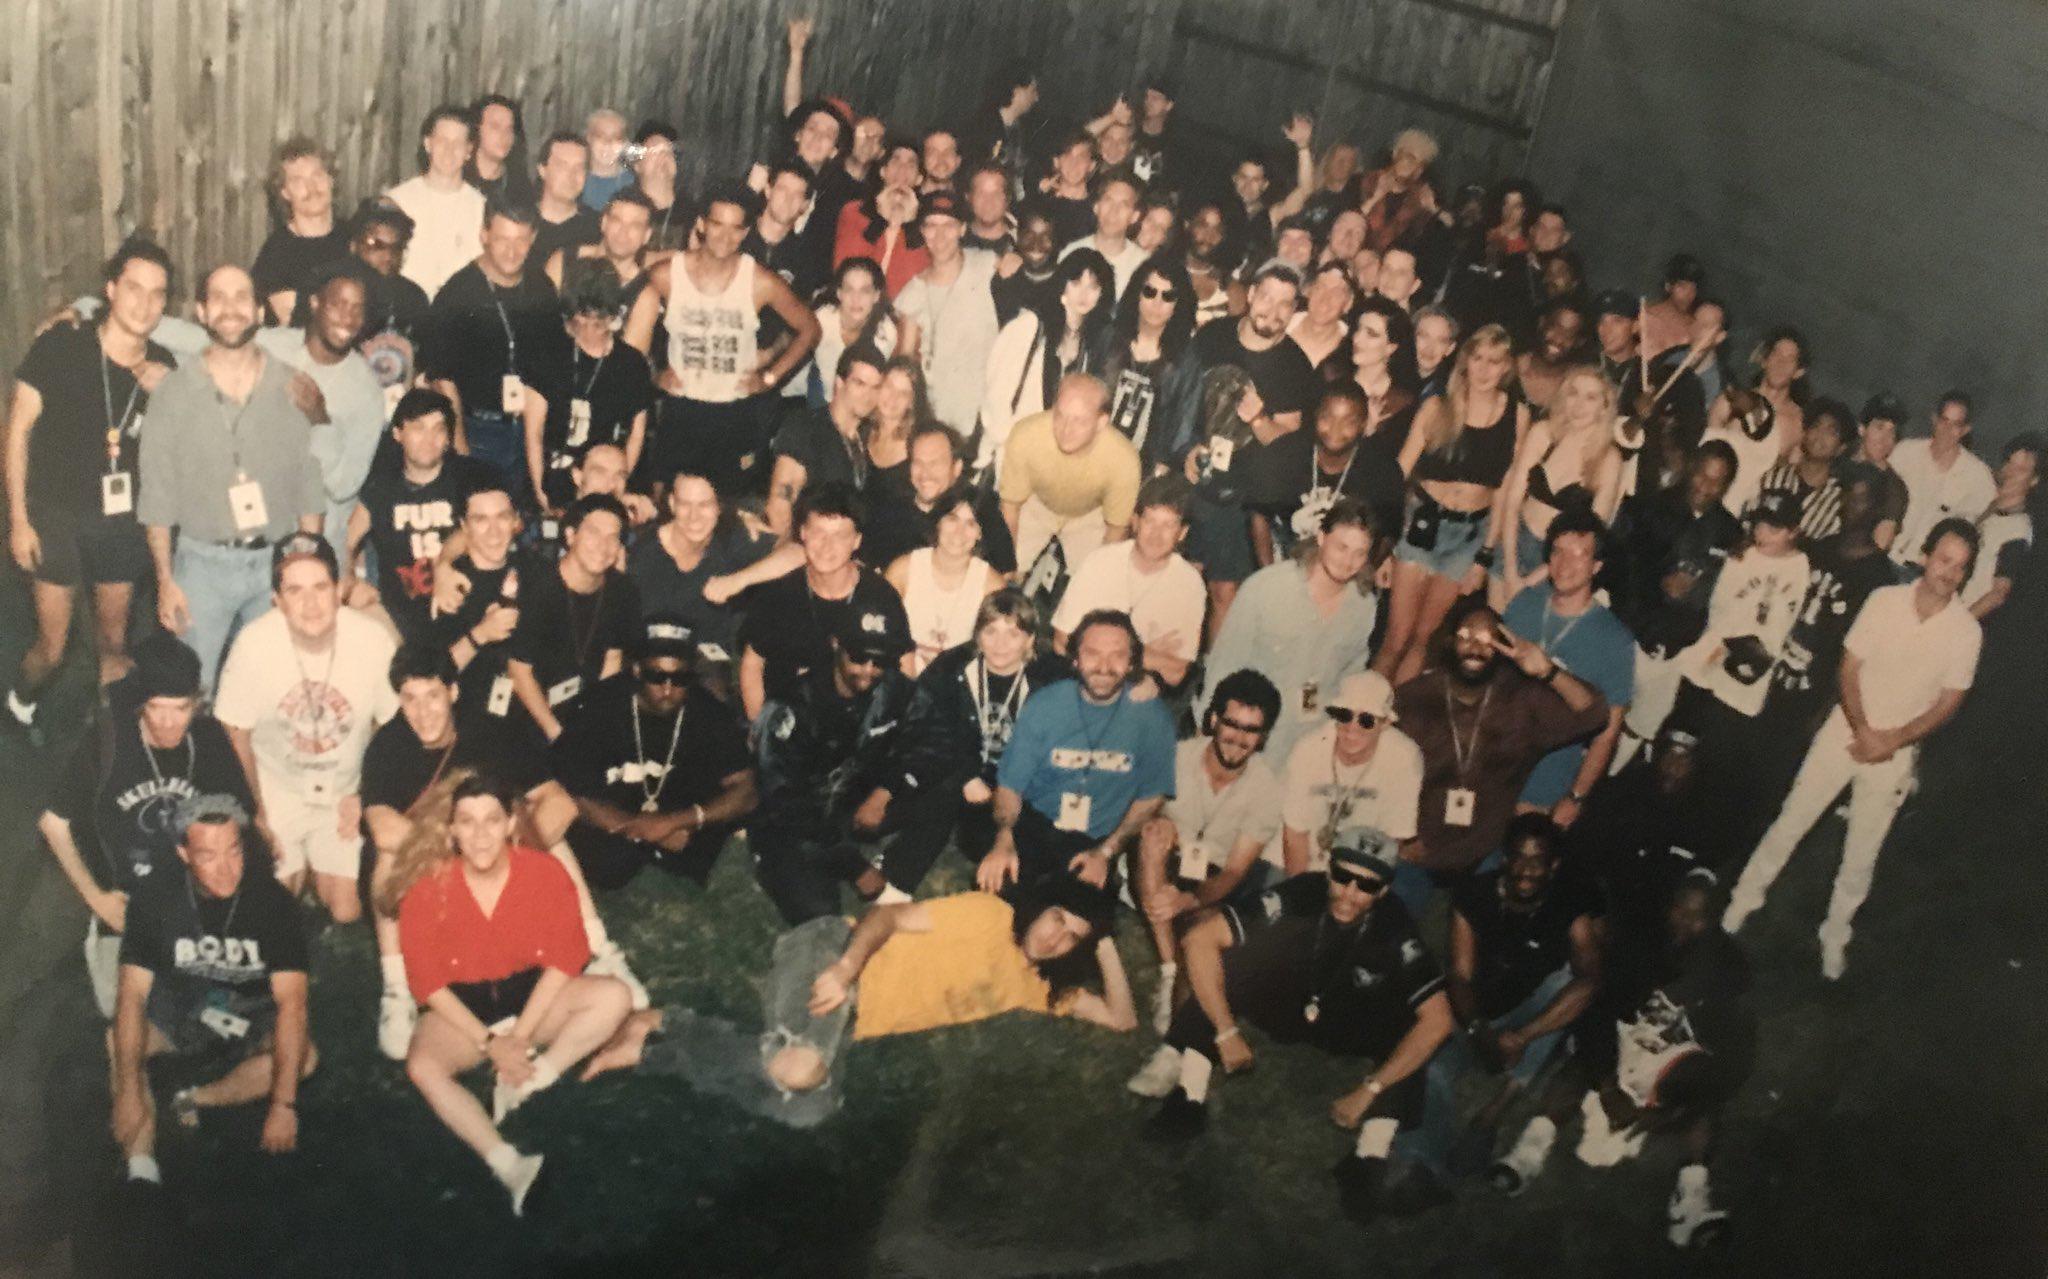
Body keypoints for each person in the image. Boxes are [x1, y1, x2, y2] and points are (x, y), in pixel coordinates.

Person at [581, 878, 1133, 1129]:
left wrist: (1103, 937)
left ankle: (660, 1035)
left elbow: (1122, 1019)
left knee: (808, 1108)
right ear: (1041, 907)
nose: (1056, 937)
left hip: (852, 1020)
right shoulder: (989, 916)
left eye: (1072, 939)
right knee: (799, 1070)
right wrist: (846, 969)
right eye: (1058, 918)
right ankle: (659, 1032)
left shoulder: (1037, 988)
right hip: (831, 949)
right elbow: (887, 917)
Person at [1133, 830, 1455, 1227]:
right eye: (1342, 876)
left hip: (1347, 1014)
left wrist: (1368, 1090)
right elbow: (1200, 940)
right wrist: (1226, 1032)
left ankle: (1367, 1158)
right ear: (1328, 870)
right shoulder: (1302, 892)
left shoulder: (1395, 923)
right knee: (1228, 964)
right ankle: (1189, 1097)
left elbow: (1440, 1020)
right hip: (1284, 1001)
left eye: (1367, 885)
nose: (1349, 893)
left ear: (1385, 889)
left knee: (1413, 1025)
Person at [1724, 519, 1982, 979]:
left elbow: (1949, 703)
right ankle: (1743, 901)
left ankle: (1835, 935)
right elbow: (1849, 667)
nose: (1949, 573)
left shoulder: (1966, 632)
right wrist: (1863, 729)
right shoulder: (1884, 601)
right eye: (1943, 559)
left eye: (1960, 567)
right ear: (1924, 555)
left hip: (1895, 752)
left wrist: (1891, 741)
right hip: (1844, 732)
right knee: (1792, 820)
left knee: (1862, 852)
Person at [361, 644, 645, 1058]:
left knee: (554, 839)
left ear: (453, 692)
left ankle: (599, 949)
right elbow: (381, 825)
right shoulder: (388, 746)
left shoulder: (489, 731)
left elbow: (560, 802)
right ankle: (397, 987)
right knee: (387, 858)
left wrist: (505, 852)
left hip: (494, 859)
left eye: (433, 697)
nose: (422, 713)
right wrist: (455, 853)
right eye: (410, 699)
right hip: (432, 867)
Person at [385, 771, 632, 1215]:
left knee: (615, 998)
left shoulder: (545, 873)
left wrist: (521, 1037)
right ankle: (508, 1164)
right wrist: (489, 1043)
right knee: (423, 1066)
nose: (481, 836)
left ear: (511, 826)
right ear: (451, 830)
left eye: (492, 821)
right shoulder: (426, 890)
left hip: (531, 994)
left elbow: (563, 961)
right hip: (465, 1006)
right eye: (468, 822)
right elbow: (429, 985)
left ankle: (531, 1081)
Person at [1490, 877, 1752, 1249]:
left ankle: (1691, 1198)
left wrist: (1671, 1108)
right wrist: (1607, 1084)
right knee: (1578, 1065)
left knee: (1707, 1106)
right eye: (1680, 909)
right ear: (1668, 906)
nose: (1684, 922)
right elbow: (1597, 1014)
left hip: (1669, 1064)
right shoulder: (1638, 947)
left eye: (1698, 917)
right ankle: (1530, 1149)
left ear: (1714, 921)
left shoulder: (1726, 972)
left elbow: (1732, 1057)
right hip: (1623, 1046)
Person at [5, 239, 174, 732]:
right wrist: (18, 519)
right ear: (111, 289)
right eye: (134, 289)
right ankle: (20, 699)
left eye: (157, 294)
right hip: (55, 518)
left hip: (121, 527)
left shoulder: (165, 367)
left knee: (113, 646)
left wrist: (170, 398)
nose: (144, 304)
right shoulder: (61, 344)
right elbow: (17, 431)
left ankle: (104, 740)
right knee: (52, 648)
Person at [40, 636, 256, 1019]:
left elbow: (240, 818)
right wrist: (97, 898)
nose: (170, 722)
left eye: (182, 709)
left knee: (217, 1011)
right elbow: (53, 823)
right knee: (123, 1012)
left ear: (197, 703)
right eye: (158, 709)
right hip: (124, 898)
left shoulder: (208, 739)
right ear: (141, 706)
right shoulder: (107, 741)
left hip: (193, 893)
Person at [138, 264, 328, 694]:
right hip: (200, 567)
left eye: (241, 296)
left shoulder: (292, 386)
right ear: (201, 313)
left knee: (273, 689)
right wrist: (166, 581)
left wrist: (303, 565)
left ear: (260, 312)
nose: (230, 308)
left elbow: (308, 482)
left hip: (274, 565)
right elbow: (157, 494)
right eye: (218, 298)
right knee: (190, 689)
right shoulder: (173, 393)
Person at [109, 793, 314, 1188]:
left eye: (234, 851)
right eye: (208, 856)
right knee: (115, 1043)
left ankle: (192, 1100)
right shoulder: (154, 898)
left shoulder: (274, 903)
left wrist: (283, 1105)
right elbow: (131, 995)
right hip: (179, 1009)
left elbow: (293, 1004)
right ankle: (141, 1168)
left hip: (247, 1014)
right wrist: (128, 1090)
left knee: (304, 1059)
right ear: (183, 853)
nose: (226, 870)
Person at [1396, 813, 1603, 1196]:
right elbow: (1459, 976)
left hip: (1533, 1008)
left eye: (1538, 860)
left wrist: (1523, 1036)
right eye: (1518, 858)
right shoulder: (1474, 895)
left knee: (1569, 985)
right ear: (1505, 859)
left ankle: (1492, 1115)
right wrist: (1479, 1031)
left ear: (1553, 866)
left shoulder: (1570, 900)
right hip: (1477, 1008)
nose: (1526, 870)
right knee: (1434, 1070)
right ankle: (1420, 1165)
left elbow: (1590, 976)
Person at [213, 533, 397, 919]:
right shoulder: (252, 646)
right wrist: (256, 811)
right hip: (278, 789)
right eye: (294, 591)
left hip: (343, 790)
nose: (310, 604)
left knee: (346, 909)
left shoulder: (373, 640)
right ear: (276, 601)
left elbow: (391, 722)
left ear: (338, 590)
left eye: (320, 587)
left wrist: (367, 791)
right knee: (275, 901)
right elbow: (234, 731)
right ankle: (301, 868)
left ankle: (320, 867)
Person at [1389, 597, 1608, 917]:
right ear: (1450, 641)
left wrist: (1547, 671)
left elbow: (1594, 714)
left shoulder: (1521, 700)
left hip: (1487, 862)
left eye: (1486, 639)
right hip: (1417, 859)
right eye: (1465, 636)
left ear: (1502, 646)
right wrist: (1395, 834)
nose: (1474, 648)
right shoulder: (1417, 698)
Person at [623, 188, 821, 498]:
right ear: (701, 224)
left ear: (745, 232)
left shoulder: (759, 281)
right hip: (681, 409)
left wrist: (769, 377)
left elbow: (809, 329)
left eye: (735, 228)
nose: (725, 237)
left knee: (727, 509)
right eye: (717, 224)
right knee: (667, 503)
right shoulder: (666, 275)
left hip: (735, 412)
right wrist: (653, 373)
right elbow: (626, 333)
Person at [885, 590, 1073, 900]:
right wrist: (965, 775)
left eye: (1013, 634)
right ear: (977, 635)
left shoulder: (1051, 677)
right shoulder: (952, 668)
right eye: (991, 631)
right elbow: (923, 727)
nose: (1000, 644)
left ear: (1030, 641)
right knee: (939, 797)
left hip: (1020, 785)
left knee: (1020, 855)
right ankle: (896, 884)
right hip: (963, 775)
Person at [1659, 491, 1811, 866]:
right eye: (1759, 523)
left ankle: (1696, 850)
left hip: (1746, 677)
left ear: (1794, 531)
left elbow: (1780, 629)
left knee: (1718, 763)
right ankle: (1663, 829)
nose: (1763, 533)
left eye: (1774, 528)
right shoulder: (1742, 556)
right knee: (1680, 748)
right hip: (1709, 662)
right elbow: (1720, 610)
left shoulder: (1801, 567)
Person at [979, 610, 1175, 894]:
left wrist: (1107, 851)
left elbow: (1152, 796)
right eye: (1093, 653)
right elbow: (1010, 785)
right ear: (1075, 658)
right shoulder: (1045, 705)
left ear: (1132, 662)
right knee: (997, 893)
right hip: (1037, 824)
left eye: (1117, 655)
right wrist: (1005, 840)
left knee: (1070, 925)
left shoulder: (1152, 717)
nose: (1104, 666)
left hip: (1096, 840)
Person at [552, 620, 759, 889]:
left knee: (729, 816)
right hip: (616, 811)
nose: (668, 689)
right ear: (637, 670)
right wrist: (643, 829)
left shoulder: (708, 711)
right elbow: (574, 790)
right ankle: (651, 851)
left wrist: (673, 822)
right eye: (656, 676)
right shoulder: (599, 705)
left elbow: (747, 789)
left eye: (680, 678)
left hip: (680, 813)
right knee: (606, 862)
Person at [1130, 669, 1284, 1030]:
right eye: (1231, 724)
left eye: (1251, 730)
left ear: (1262, 738)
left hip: (1215, 876)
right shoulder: (1177, 756)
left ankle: (1177, 935)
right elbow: (1137, 811)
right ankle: (1169, 971)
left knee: (1197, 932)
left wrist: (1191, 901)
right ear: (1213, 720)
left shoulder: (1267, 789)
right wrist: (1159, 820)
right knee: (1152, 835)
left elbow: (1234, 872)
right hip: (1168, 856)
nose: (1238, 738)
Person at [1376, 323, 1526, 685]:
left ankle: (1396, 724)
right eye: (1478, 358)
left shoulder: (1517, 414)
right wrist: (1385, 547)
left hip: (1469, 536)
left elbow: (1505, 492)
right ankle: (1361, 713)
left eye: (1496, 361)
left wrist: (1484, 556)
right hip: (1421, 526)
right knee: (1396, 638)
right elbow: (1398, 476)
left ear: (1507, 367)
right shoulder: (1436, 406)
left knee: (1422, 640)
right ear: (1465, 361)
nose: (1486, 369)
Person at [751, 604, 918, 923]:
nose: (869, 669)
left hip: (852, 801)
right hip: (796, 821)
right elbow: (783, 802)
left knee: (942, 786)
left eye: (880, 660)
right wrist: (855, 866)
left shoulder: (892, 686)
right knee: (820, 914)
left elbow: (924, 735)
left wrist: (884, 791)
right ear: (836, 645)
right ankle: (771, 865)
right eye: (858, 657)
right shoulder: (791, 707)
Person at [1183, 264, 1319, 632]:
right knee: (1177, 579)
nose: (1272, 312)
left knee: (1225, 590)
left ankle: (1210, 679)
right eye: (1267, 298)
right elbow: (1183, 396)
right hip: (1191, 474)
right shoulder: (1213, 336)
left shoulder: (1295, 366)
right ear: (1253, 294)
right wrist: (1188, 448)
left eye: (1285, 305)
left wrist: (1259, 419)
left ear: (1294, 311)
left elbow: (1288, 441)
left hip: (1240, 493)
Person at [1200, 497, 1382, 764]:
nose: (1348, 561)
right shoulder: (1267, 587)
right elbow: (1224, 664)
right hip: (1257, 737)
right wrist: (1209, 734)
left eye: (1360, 553)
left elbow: (1352, 676)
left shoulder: (1363, 605)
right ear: (1321, 537)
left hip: (1315, 741)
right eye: (1341, 547)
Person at [1609, 441, 1743, 767]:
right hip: (1629, 637)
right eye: (1702, 475)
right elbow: (1619, 569)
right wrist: (1659, 584)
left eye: (1717, 481)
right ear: (1690, 469)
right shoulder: (1650, 508)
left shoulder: (1729, 531)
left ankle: (1607, 783)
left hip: (1674, 652)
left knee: (1643, 724)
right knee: (1602, 713)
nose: (1706, 487)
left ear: (1727, 486)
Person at [1499, 510, 1636, 828]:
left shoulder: (1615, 640)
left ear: (1596, 566)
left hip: (1547, 782)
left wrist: (1575, 797)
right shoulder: (1525, 604)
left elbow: (1608, 732)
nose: (1565, 564)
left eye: (1579, 555)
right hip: (1497, 764)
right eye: (1558, 551)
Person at [423, 200, 562, 501]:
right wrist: (462, 456)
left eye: (521, 240)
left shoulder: (541, 288)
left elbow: (549, 368)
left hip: (529, 431)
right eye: (502, 239)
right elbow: (444, 381)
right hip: (478, 432)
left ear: (533, 239)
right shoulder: (457, 294)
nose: (511, 251)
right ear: (484, 235)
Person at [736, 483, 907, 720]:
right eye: (818, 533)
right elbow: (752, 664)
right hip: (788, 725)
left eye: (839, 535)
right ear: (803, 533)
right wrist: (760, 730)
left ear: (856, 540)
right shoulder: (778, 593)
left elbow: (903, 668)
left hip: (854, 728)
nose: (827, 546)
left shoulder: (880, 597)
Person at [346, 389, 491, 645]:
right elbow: (346, 542)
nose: (429, 439)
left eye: (438, 429)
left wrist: (444, 564)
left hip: (461, 614)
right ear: (398, 434)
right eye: (418, 428)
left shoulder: (468, 481)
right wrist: (350, 582)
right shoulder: (381, 489)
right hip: (399, 620)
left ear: (448, 439)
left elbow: (486, 528)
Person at [255, 263, 386, 541]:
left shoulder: (366, 391)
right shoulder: (275, 346)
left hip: (319, 545)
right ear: (315, 303)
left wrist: (319, 421)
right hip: (261, 529)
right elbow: (204, 343)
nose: (347, 319)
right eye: (337, 305)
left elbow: (344, 486)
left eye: (357, 309)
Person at [1050, 474, 1206, 693]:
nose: (1156, 534)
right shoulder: (1100, 561)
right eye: (1149, 521)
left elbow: (1175, 672)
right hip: (1080, 681)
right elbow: (1062, 642)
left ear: (1182, 533)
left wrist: (1097, 650)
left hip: (1139, 692)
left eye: (1168, 525)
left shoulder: (1189, 584)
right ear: (1135, 522)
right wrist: (1148, 654)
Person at [506, 494, 640, 742]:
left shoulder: (623, 591)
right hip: (531, 712)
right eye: (594, 533)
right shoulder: (539, 588)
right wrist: (557, 734)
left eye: (613, 538)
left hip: (584, 709)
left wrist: (598, 721)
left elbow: (612, 659)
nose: (603, 545)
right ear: (570, 536)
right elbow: (519, 670)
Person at [1272, 671, 1423, 888]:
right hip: (1297, 859)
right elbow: (1295, 836)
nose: (1352, 728)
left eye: (1366, 720)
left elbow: (1389, 843)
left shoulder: (1404, 759)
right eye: (1344, 715)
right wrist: (1300, 893)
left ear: (1386, 723)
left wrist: (1353, 892)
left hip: (1362, 863)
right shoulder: (1307, 749)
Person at [625, 470, 776, 684]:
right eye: (685, 504)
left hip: (716, 677)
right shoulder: (642, 557)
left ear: (719, 507)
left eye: (704, 505)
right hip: (658, 679)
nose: (694, 516)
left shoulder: (731, 538)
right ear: (672, 504)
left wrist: (739, 580)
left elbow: (799, 551)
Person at [521, 276, 654, 513]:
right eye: (581, 319)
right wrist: (541, 493)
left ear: (613, 318)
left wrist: (620, 482)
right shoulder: (547, 356)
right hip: (554, 471)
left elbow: (636, 434)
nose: (588, 329)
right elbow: (534, 432)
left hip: (603, 477)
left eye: (598, 322)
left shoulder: (631, 364)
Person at [976, 248, 1115, 474]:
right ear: (1062, 285)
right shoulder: (1029, 326)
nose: (1084, 294)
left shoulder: (1097, 342)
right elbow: (996, 392)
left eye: (1093, 286)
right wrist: (1005, 439)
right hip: (1015, 452)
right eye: (1076, 283)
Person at [1495, 366, 1623, 605]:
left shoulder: (1608, 458)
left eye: (1591, 397)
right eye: (1574, 393)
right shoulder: (1543, 433)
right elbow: (1511, 503)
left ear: (1604, 407)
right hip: (1515, 542)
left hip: (1559, 564)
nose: (1579, 404)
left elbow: (1592, 535)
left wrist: (1530, 581)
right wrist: (1511, 571)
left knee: (1522, 637)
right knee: (1490, 628)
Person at [1247, 381, 1408, 568]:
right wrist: (1268, 573)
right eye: (1327, 418)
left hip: (1346, 570)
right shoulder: (1285, 454)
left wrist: (1358, 576)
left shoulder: (1381, 470)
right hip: (1287, 561)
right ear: (1315, 416)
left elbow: (1388, 533)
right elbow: (1258, 514)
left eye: (1349, 422)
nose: (1335, 428)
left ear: (1363, 425)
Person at [999, 372, 1142, 577]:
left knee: (1093, 584)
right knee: (1000, 568)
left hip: (1090, 515)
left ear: (1101, 422)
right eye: (1060, 415)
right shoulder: (1025, 435)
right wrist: (1006, 568)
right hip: (1036, 503)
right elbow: (1010, 508)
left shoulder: (1124, 460)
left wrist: (1095, 580)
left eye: (1079, 421)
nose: (1066, 429)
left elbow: (1115, 531)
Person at [893, 189, 1003, 439]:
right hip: (939, 411)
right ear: (922, 231)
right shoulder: (913, 291)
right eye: (931, 226)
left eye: (949, 226)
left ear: (963, 229)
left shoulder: (987, 265)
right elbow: (906, 361)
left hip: (987, 411)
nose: (940, 236)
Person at [1092, 257, 1203, 474]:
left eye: (1168, 296)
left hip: (1147, 472)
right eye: (1150, 292)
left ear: (1179, 304)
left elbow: (1184, 428)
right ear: (1137, 293)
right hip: (1092, 456)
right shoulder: (1108, 337)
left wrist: (1160, 475)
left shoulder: (1186, 360)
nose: (1157, 303)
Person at [764, 341, 887, 535]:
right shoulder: (805, 427)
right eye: (860, 383)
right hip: (807, 546)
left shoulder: (869, 439)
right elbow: (779, 506)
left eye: (876, 387)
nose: (868, 395)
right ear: (839, 383)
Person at [862, 421, 1017, 573]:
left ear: (956, 468)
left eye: (935, 464)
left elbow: (1006, 574)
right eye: (918, 463)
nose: (925, 474)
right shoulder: (891, 509)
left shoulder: (980, 508)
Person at [886, 487, 1003, 674]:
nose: (959, 532)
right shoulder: (902, 570)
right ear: (938, 522)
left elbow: (994, 652)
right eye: (952, 519)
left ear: (980, 533)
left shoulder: (991, 585)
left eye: (971, 524)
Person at [387, 105, 488, 300]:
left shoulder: (481, 207)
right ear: (428, 144)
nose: (449, 150)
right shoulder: (398, 201)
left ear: (469, 151)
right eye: (442, 140)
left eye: (458, 143)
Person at [1888, 391, 1996, 568]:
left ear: (1965, 429)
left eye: (1956, 424)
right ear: (1934, 419)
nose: (1947, 430)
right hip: (1883, 555)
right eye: (1944, 421)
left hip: (1923, 572)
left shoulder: (1979, 477)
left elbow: (1980, 531)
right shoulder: (1905, 452)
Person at [253, 137, 349, 324]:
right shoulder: (276, 254)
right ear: (285, 192)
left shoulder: (354, 238)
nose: (311, 188)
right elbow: (296, 326)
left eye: (317, 175)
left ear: (331, 180)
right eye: (298, 181)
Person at [798, 257, 897, 406]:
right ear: (839, 293)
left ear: (876, 296)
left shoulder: (886, 334)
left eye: (865, 291)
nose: (856, 299)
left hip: (861, 405)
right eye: (849, 289)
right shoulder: (821, 320)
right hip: (823, 397)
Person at [832, 142, 927, 298]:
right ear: (883, 171)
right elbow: (847, 269)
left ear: (919, 179)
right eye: (896, 161)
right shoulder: (854, 211)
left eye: (911, 164)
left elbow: (914, 284)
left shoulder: (925, 225)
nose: (902, 169)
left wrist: (910, 226)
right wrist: (880, 220)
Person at [1963, 433, 2040, 618]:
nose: (2010, 472)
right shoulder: (1990, 506)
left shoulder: (2018, 530)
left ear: (2034, 480)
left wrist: (1961, 624)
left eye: (2021, 469)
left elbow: (1998, 594)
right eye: (2009, 463)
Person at [1753, 398, 1849, 541]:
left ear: (1841, 448)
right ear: (1805, 433)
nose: (1820, 435)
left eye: (1831, 432)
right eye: (1816, 426)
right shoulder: (1772, 477)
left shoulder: (1838, 502)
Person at [1058, 173, 1148, 297]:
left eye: (1123, 205)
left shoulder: (1143, 266)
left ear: (1134, 216)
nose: (1113, 211)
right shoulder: (1071, 253)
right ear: (1096, 207)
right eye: (1108, 200)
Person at [528, 132, 602, 266]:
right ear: (542, 170)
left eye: (579, 167)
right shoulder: (519, 223)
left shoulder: (598, 228)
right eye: (562, 166)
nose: (571, 175)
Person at [624, 121, 693, 253]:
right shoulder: (624, 205)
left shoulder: (692, 212)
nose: (663, 156)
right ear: (637, 165)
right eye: (654, 151)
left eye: (668, 151)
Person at [464, 94, 536, 209]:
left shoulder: (520, 187)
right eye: (495, 127)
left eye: (509, 129)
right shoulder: (457, 177)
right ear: (476, 129)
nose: (504, 136)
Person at [580, 108, 633, 211]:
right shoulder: (575, 179)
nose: (608, 143)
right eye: (600, 136)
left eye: (616, 137)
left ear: (624, 143)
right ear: (588, 138)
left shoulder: (633, 185)